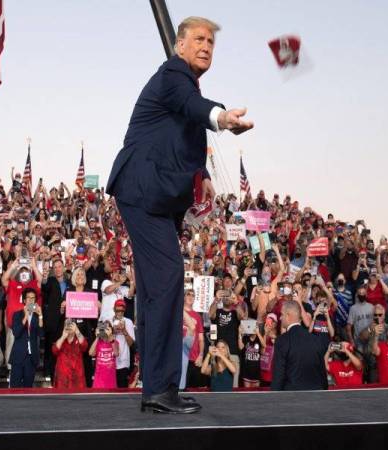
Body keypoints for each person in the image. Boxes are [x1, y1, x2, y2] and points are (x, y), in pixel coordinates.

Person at [106, 16, 253, 413]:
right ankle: (159, 387)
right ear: (180, 45)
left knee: (160, 289)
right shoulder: (173, 74)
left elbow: (185, 132)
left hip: (156, 197)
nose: (206, 46)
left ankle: (159, 387)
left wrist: (202, 174)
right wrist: (223, 118)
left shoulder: (184, 84)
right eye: (199, 39)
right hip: (143, 191)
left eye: (211, 41)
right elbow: (196, 109)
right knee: (167, 282)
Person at [271, 300, 328, 391]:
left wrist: (273, 401)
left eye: (282, 314)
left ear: (288, 316)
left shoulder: (282, 341)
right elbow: (322, 372)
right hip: (316, 397)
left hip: (292, 398)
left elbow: (278, 375)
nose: (280, 318)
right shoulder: (315, 340)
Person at [9, 288, 43, 388]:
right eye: (28, 298)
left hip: (31, 357)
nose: (31, 300)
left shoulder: (37, 316)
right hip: (18, 356)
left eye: (33, 298)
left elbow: (41, 334)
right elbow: (16, 333)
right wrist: (25, 317)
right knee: (14, 388)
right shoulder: (17, 315)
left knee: (28, 388)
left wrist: (40, 315)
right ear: (24, 300)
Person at [52, 320, 88, 389]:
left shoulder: (79, 338)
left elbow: (84, 346)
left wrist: (77, 331)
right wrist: (63, 336)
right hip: (62, 380)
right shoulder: (61, 340)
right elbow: (54, 350)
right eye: (67, 324)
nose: (69, 326)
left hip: (77, 380)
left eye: (71, 324)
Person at [111, 299, 135, 388]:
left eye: (122, 311)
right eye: (118, 311)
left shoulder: (128, 322)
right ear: (114, 310)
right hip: (110, 361)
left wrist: (124, 330)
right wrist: (113, 331)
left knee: (122, 389)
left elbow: (131, 343)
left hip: (123, 361)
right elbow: (104, 341)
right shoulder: (109, 320)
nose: (120, 313)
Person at [89, 321, 118, 389]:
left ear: (111, 330)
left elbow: (116, 353)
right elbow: (91, 353)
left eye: (107, 328)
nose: (105, 331)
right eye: (103, 328)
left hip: (111, 381)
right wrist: (97, 337)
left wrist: (111, 338)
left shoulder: (114, 342)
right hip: (98, 381)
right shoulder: (98, 342)